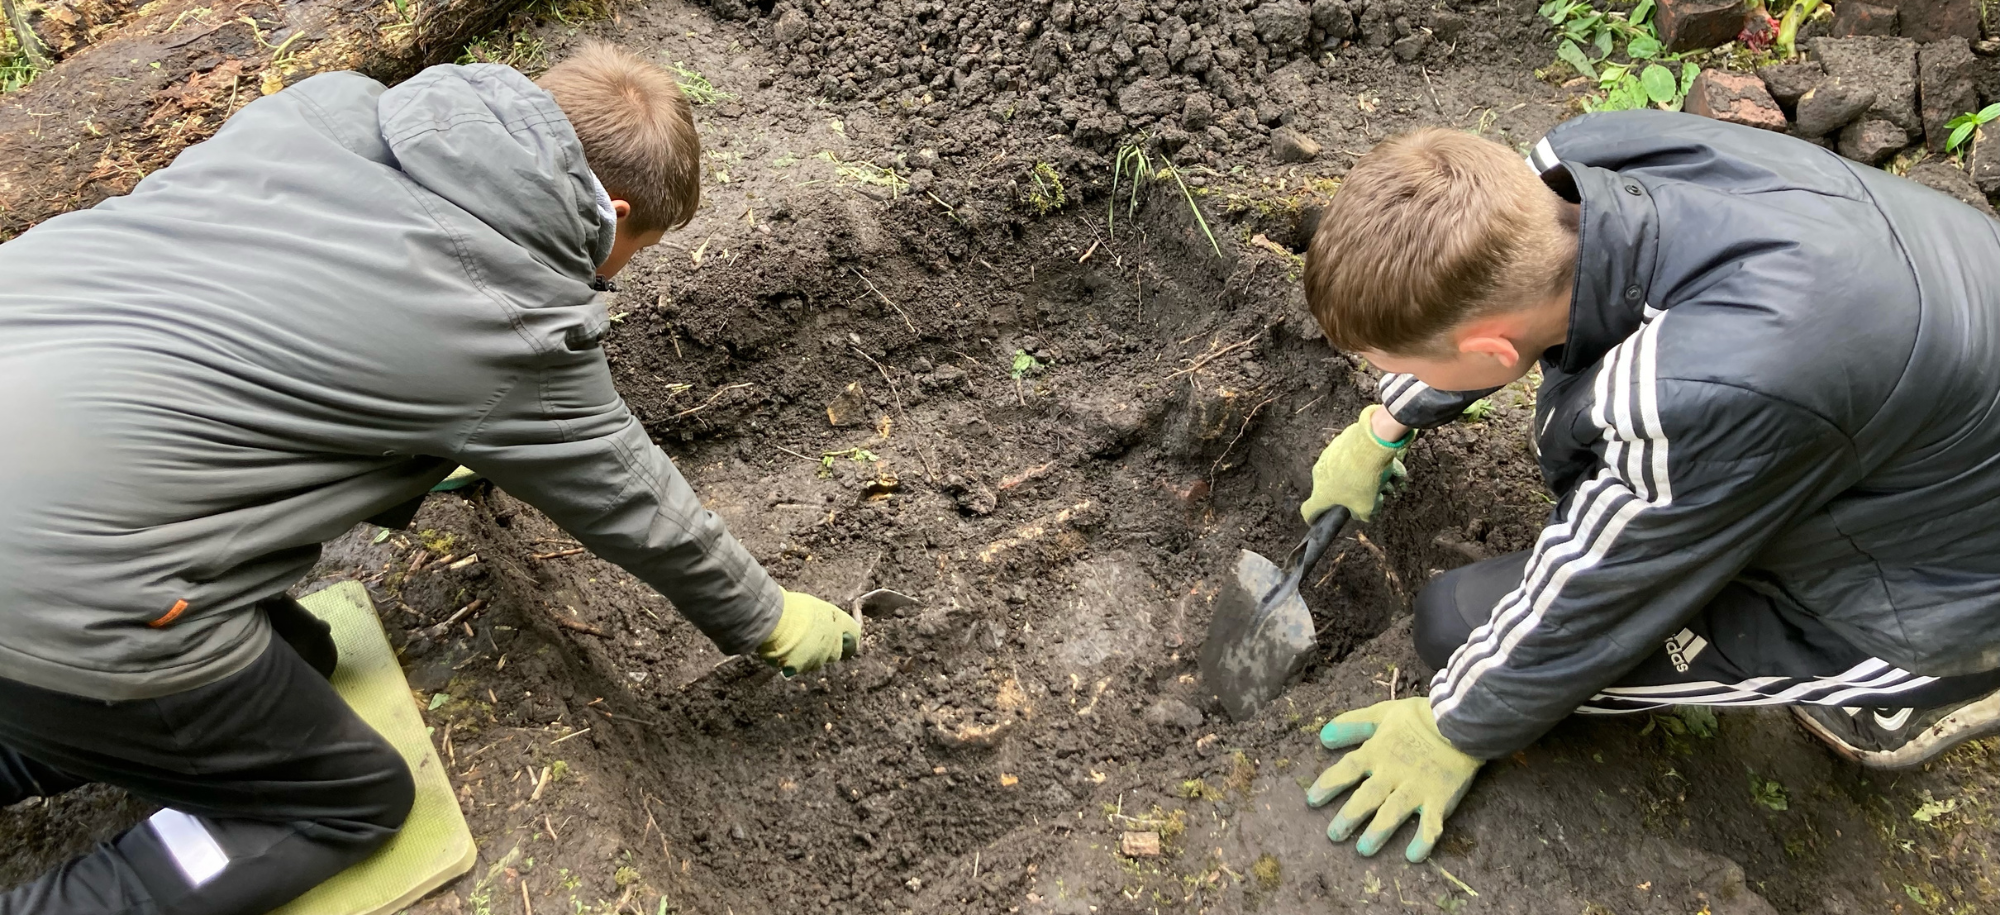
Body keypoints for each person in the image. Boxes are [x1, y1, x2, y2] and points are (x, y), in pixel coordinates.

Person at [0, 43, 860, 914]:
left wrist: (419, 442)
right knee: (348, 798)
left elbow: (292, 315)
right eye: (638, 249)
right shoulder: (514, 322)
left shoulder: (331, 107)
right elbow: (645, 509)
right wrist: (771, 617)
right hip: (65, 580)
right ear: (615, 216)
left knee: (303, 655)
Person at [1294, 112, 2000, 864]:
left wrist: (1454, 726)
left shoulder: (1696, 391)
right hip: (1932, 351)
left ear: (1492, 350)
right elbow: (1475, 293)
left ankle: (1907, 688)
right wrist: (1388, 418)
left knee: (1456, 629)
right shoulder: (1577, 168)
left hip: (1949, 577)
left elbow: (1604, 589)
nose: (1395, 379)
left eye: (1405, 366)